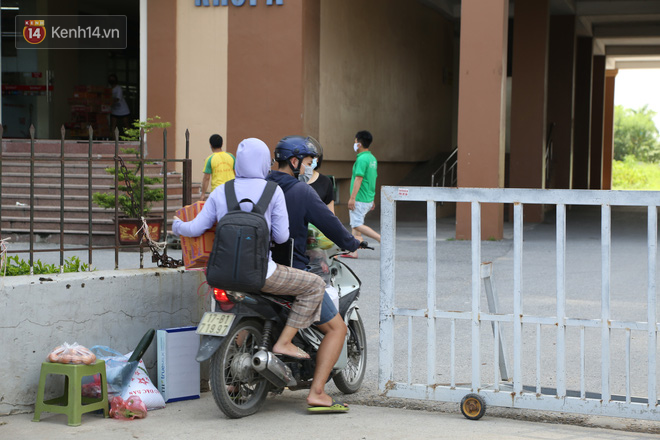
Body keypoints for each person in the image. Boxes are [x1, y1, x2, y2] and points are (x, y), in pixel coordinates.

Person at [172, 138, 326, 362]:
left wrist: (177, 226)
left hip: (221, 275)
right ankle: (284, 342)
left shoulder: (221, 191)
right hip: (262, 274)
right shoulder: (273, 191)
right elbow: (283, 237)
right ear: (265, 162)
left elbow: (195, 228)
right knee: (315, 285)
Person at [267, 135, 362, 412]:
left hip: (255, 270)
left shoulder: (262, 187)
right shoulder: (301, 191)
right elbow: (329, 223)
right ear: (295, 162)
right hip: (289, 274)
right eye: (308, 162)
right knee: (337, 329)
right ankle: (318, 392)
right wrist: (351, 242)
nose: (309, 167)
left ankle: (235, 384)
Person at [344, 130, 380, 258]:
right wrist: (373, 198)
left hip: (359, 198)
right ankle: (353, 251)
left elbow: (359, 178)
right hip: (367, 198)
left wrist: (352, 198)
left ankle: (381, 239)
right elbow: (372, 179)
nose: (354, 143)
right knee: (356, 226)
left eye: (355, 141)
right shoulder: (372, 159)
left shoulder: (362, 159)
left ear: (359, 143)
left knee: (356, 224)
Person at [199, 134, 235, 201]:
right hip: (231, 190)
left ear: (211, 145)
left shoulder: (210, 159)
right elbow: (236, 173)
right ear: (222, 144)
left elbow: (206, 178)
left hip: (217, 191)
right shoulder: (231, 157)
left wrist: (203, 194)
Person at [300, 148, 335, 214]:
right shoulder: (293, 180)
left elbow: (331, 212)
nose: (312, 159)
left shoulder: (325, 181)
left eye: (314, 156)